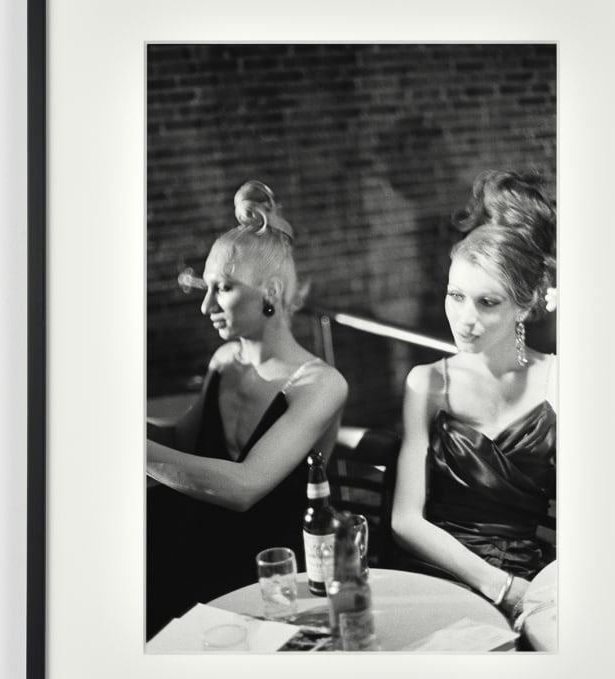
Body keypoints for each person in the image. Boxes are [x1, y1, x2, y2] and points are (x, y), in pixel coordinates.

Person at [146, 181, 348, 639]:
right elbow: (181, 442)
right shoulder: (224, 361)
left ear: (270, 290)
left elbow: (244, 487)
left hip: (273, 574)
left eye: (223, 288)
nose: (206, 305)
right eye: (206, 288)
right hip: (197, 548)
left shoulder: (320, 384)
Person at [391, 173, 556, 616]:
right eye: (456, 296)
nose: (465, 319)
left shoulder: (560, 379)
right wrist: (502, 587)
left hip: (529, 579)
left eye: (488, 302)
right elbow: (405, 521)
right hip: (438, 575)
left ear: (525, 305)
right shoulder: (427, 383)